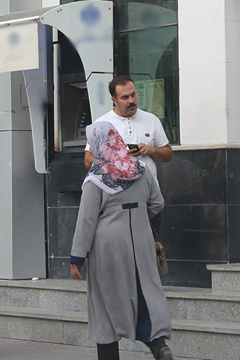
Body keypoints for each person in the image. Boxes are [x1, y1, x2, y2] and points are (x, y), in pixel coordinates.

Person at [71, 121, 173, 360]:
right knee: (144, 291)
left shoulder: (96, 177)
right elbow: (158, 204)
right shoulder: (140, 168)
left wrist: (78, 256)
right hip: (141, 238)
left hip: (107, 245)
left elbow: (86, 220)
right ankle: (159, 345)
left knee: (104, 302)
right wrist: (137, 216)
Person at [84, 75, 172, 232]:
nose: (131, 100)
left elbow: (167, 155)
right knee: (122, 251)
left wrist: (150, 150)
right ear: (114, 100)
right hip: (116, 202)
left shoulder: (151, 120)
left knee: (151, 248)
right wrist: (119, 155)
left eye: (133, 94)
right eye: (125, 97)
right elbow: (88, 161)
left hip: (149, 200)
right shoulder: (102, 124)